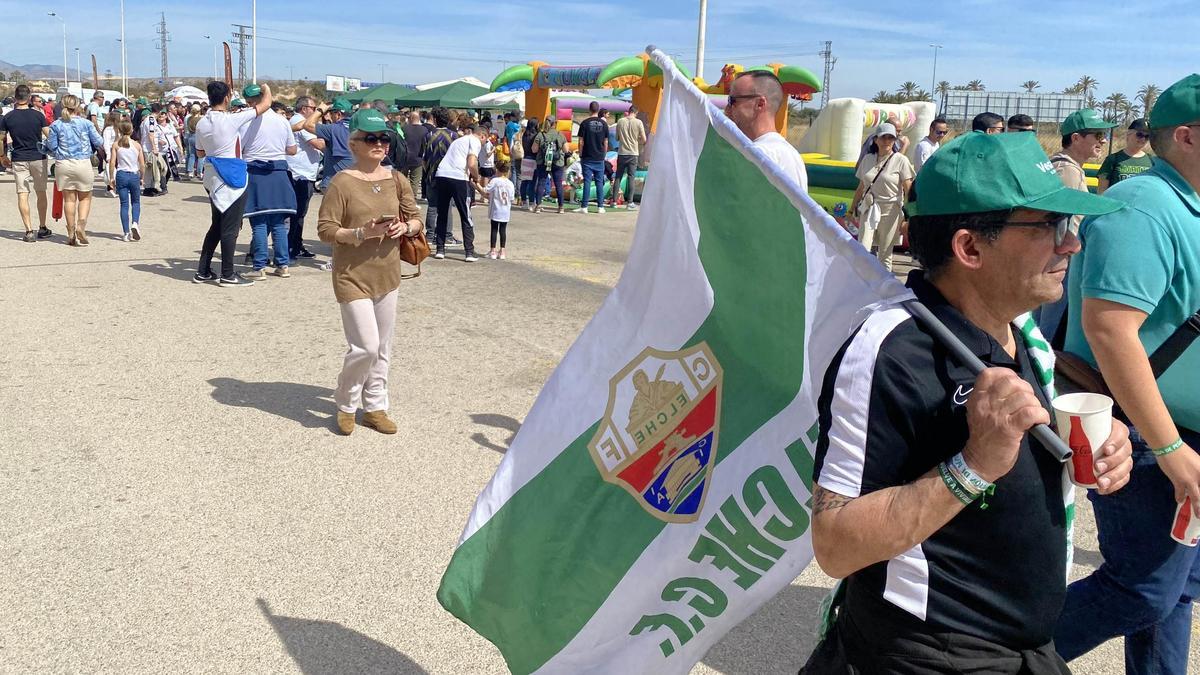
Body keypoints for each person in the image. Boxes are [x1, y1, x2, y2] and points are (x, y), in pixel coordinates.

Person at [804, 130, 1132, 675]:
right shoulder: (891, 350)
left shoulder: (1022, 332)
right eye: (1051, 225)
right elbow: (835, 545)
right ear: (970, 247)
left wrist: (1097, 450)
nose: (1071, 243)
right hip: (930, 654)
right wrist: (975, 465)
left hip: (1027, 646)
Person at [1055, 73, 1200, 675]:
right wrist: (1170, 449)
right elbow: (1112, 327)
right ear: (1188, 137)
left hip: (1175, 434)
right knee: (1139, 589)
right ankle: (981, 660)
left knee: (1177, 587)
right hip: (1142, 432)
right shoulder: (1145, 207)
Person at [317, 108, 422, 436]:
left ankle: (376, 406)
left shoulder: (396, 178)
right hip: (352, 274)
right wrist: (361, 233)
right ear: (354, 144)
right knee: (366, 347)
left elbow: (417, 218)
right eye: (370, 138)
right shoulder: (342, 183)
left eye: (383, 139)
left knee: (383, 347)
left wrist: (405, 227)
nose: (379, 144)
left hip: (387, 274)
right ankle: (346, 401)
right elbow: (325, 229)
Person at [1034, 108, 1117, 345]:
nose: (1103, 140)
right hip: (1059, 260)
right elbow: (1056, 220)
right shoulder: (1067, 170)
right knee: (1050, 326)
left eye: (1104, 135)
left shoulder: (1067, 166)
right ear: (1076, 138)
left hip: (1056, 259)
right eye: (1097, 135)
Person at [192, 80, 274, 287]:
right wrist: (265, 87)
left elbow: (200, 152)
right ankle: (227, 274)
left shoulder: (202, 122)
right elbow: (265, 104)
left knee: (217, 226)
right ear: (227, 97)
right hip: (232, 175)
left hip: (212, 175)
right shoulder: (231, 119)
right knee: (230, 227)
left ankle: (203, 270)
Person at [238, 83, 298, 280]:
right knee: (279, 223)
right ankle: (283, 264)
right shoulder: (282, 120)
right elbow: (292, 149)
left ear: (250, 101)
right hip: (279, 171)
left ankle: (259, 266)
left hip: (255, 172)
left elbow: (239, 148)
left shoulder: (247, 120)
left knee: (259, 222)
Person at [723, 70, 809, 192]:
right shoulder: (788, 152)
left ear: (759, 104)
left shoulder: (761, 154)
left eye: (732, 101)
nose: (727, 109)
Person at [849, 122, 914, 271]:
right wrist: (851, 210)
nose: (887, 141)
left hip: (891, 210)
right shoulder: (868, 159)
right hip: (869, 207)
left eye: (890, 138)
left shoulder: (900, 160)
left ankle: (886, 289)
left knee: (885, 253)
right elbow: (861, 187)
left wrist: (909, 215)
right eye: (883, 137)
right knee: (863, 248)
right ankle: (862, 282)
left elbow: (908, 189)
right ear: (876, 139)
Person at [44, 95, 103, 247]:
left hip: (63, 164)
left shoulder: (56, 124)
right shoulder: (86, 123)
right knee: (85, 197)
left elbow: (51, 145)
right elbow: (99, 141)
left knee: (69, 199)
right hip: (82, 162)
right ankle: (81, 226)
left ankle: (70, 231)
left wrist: (59, 152)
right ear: (78, 106)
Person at [0, 84, 51, 242]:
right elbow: (48, 135)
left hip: (19, 157)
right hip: (38, 157)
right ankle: (42, 227)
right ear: (29, 98)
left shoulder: (8, 117)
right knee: (41, 192)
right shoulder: (38, 115)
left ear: (15, 98)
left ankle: (29, 230)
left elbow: (1, 139)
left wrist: (2, 156)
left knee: (23, 194)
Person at [432, 122, 484, 261]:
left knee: (442, 212)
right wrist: (476, 177)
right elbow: (472, 163)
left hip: (442, 174)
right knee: (465, 213)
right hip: (458, 176)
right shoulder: (475, 140)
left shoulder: (458, 141)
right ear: (482, 135)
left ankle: (440, 249)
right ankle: (469, 252)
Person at [287, 96, 323, 261]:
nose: (316, 111)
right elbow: (318, 144)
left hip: (304, 172)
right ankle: (291, 247)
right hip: (299, 173)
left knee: (300, 213)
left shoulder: (300, 121)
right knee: (297, 213)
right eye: (313, 108)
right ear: (304, 108)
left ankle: (297, 244)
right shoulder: (300, 122)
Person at [422, 106, 458, 243]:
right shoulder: (454, 136)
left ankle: (430, 235)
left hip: (432, 175)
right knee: (447, 205)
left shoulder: (428, 136)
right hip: (449, 175)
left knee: (432, 206)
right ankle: (447, 235)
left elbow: (423, 158)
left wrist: (428, 171)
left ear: (435, 119)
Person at [303, 97, 353, 190]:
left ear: (338, 114)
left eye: (331, 113)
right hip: (354, 182)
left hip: (334, 183)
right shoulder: (358, 129)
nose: (330, 116)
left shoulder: (333, 129)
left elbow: (307, 125)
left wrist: (320, 110)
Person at [108, 120, 145, 242]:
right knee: (136, 202)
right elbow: (142, 164)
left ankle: (126, 233)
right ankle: (135, 223)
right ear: (131, 130)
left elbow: (112, 162)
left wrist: (111, 178)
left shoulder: (116, 145)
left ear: (119, 130)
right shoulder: (137, 145)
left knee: (124, 204)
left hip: (121, 174)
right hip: (134, 174)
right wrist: (142, 177)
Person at [1096, 118, 1154, 194]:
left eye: (1147, 136)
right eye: (1139, 135)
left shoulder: (1151, 161)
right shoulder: (1113, 159)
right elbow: (1101, 191)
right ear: (1129, 134)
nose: (1143, 139)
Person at [576, 101, 609, 213]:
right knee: (600, 182)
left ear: (589, 110)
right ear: (598, 110)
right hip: (599, 156)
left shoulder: (584, 123)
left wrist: (580, 153)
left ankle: (584, 206)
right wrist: (604, 154)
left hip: (587, 156)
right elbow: (605, 141)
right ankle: (600, 206)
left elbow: (581, 141)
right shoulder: (604, 124)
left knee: (587, 181)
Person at [614, 105, 647, 210]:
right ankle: (630, 202)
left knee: (618, 176)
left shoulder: (620, 121)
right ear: (636, 113)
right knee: (631, 177)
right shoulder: (638, 122)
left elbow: (617, 138)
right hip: (633, 153)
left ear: (629, 111)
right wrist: (638, 141)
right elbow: (644, 139)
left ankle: (614, 201)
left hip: (622, 152)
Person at [531, 118, 567, 215]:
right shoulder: (560, 135)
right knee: (558, 184)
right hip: (557, 162)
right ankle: (561, 207)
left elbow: (534, 149)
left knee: (541, 183)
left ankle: (538, 206)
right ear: (555, 124)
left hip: (543, 162)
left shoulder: (540, 135)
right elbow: (566, 150)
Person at [481, 158, 514, 260]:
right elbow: (511, 198)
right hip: (505, 210)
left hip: (496, 209)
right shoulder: (510, 183)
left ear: (497, 170)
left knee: (494, 229)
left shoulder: (495, 180)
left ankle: (493, 251)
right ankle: (503, 251)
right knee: (503, 230)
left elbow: (485, 190)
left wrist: (476, 185)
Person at [400, 111, 429, 201]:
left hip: (405, 158)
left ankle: (402, 198)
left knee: (402, 179)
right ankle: (412, 199)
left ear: (411, 118)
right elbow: (425, 145)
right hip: (418, 158)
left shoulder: (404, 128)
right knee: (415, 181)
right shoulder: (424, 130)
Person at [519, 118, 539, 207]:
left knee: (524, 181)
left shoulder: (525, 134)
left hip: (525, 158)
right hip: (533, 159)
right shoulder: (536, 135)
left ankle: (523, 201)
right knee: (532, 182)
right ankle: (531, 201)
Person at [185, 103, 204, 180]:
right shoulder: (201, 119)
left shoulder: (189, 118)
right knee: (201, 156)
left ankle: (190, 172)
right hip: (198, 137)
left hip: (190, 136)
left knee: (192, 155)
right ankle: (199, 172)